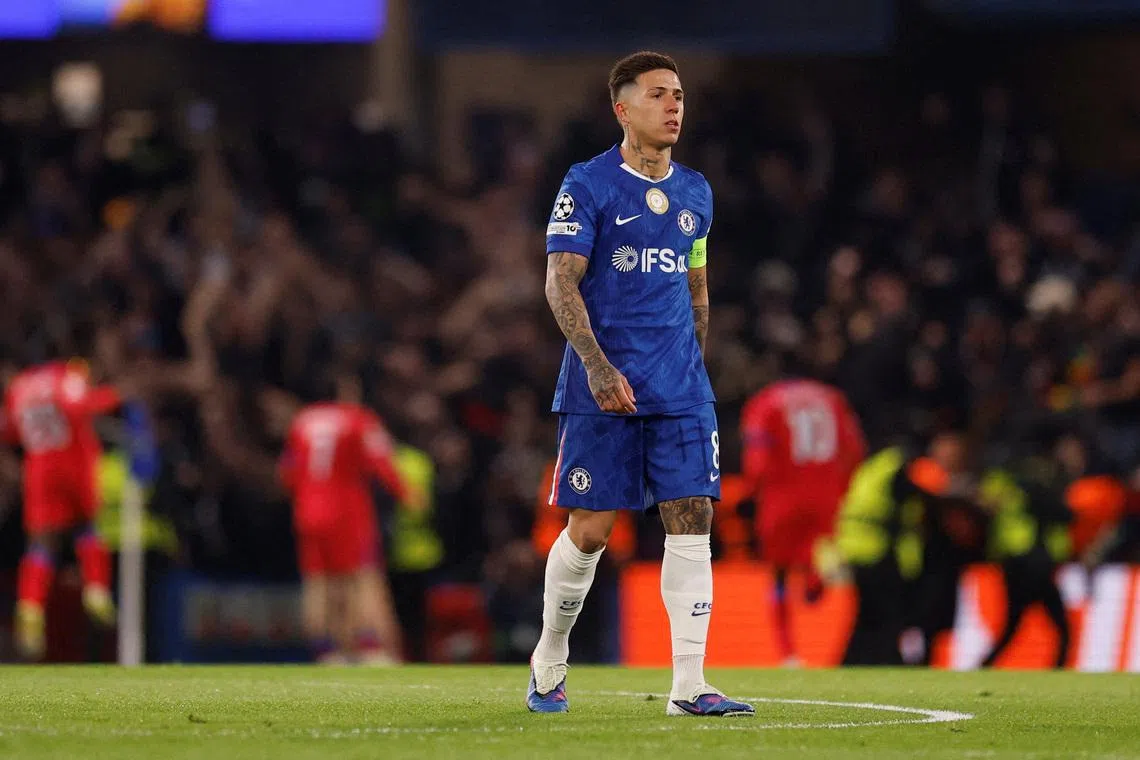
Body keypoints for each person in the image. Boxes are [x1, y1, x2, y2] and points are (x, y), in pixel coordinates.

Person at [528, 51, 753, 717]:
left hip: (681, 390)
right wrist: (597, 366)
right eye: (658, 94)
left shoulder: (696, 193)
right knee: (593, 529)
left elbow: (697, 284)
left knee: (693, 518)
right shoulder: (588, 183)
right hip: (606, 388)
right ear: (623, 109)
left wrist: (694, 366)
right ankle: (550, 655)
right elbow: (559, 279)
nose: (674, 105)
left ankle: (689, 684)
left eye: (679, 94)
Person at [278, 374, 410, 665]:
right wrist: (407, 495)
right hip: (347, 510)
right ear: (346, 390)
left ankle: (327, 650)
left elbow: (287, 473)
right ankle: (370, 647)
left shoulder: (302, 422)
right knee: (362, 578)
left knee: (318, 581)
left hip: (308, 510)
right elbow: (381, 461)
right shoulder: (358, 418)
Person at [739, 369, 865, 666]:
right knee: (821, 555)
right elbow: (855, 449)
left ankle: (787, 652)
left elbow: (756, 458)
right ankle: (814, 578)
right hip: (828, 497)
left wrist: (751, 492)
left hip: (782, 498)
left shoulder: (766, 401)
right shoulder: (833, 398)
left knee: (779, 573)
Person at [3, 358, 122, 660]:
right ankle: (96, 590)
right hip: (73, 461)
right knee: (87, 528)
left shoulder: (19, 388)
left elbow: (10, 431)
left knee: (42, 544)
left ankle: (30, 605)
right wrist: (114, 395)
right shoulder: (67, 375)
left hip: (40, 470)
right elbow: (82, 405)